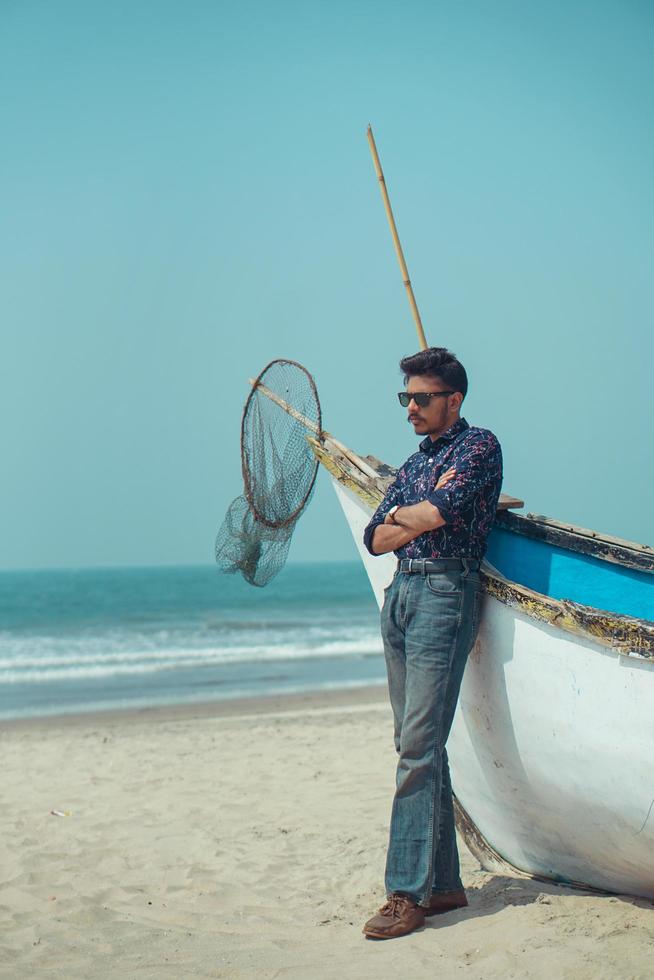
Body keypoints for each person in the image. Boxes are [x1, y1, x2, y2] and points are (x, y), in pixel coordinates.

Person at [361, 347, 503, 940]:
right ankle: (443, 884)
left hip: (446, 592)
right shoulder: (418, 460)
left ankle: (405, 894)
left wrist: (416, 516)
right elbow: (375, 535)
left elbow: (436, 515)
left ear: (454, 400)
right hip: (403, 597)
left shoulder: (480, 448)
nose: (411, 409)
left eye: (421, 398)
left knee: (417, 748)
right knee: (414, 742)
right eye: (406, 399)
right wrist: (409, 517)